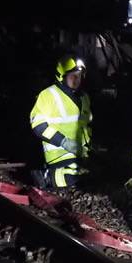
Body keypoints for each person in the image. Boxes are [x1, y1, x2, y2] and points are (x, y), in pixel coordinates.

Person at [29, 56, 92, 189]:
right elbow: (38, 125)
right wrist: (63, 141)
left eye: (79, 75)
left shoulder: (84, 97)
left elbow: (86, 126)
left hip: (80, 153)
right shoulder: (48, 95)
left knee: (94, 176)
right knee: (73, 177)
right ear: (62, 76)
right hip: (58, 153)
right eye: (72, 76)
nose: (77, 79)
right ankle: (46, 176)